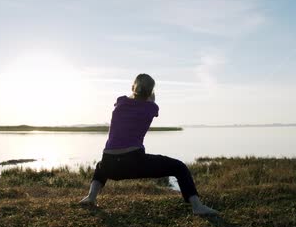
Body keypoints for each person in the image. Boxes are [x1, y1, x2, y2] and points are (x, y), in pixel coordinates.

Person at [79, 73, 218, 215]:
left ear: (133, 87)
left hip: (109, 163)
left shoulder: (120, 102)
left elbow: (129, 100)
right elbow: (149, 103)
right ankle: (197, 206)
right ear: (151, 91)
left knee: (100, 166)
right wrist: (149, 96)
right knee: (180, 167)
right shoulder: (150, 108)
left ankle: (91, 197)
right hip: (134, 162)